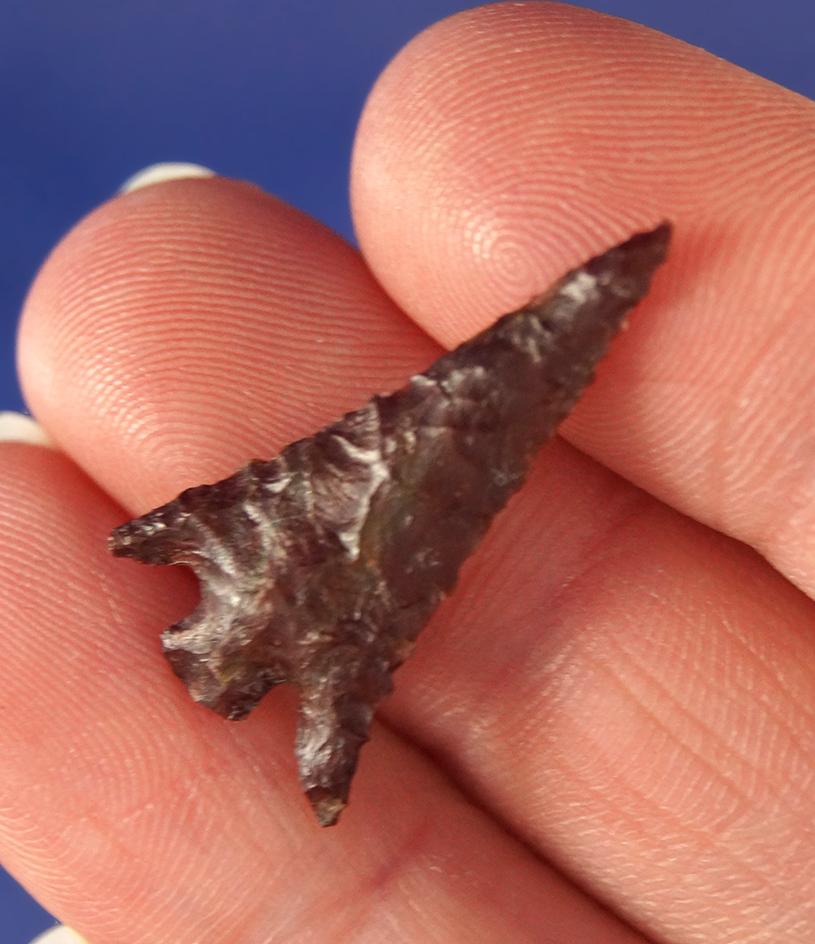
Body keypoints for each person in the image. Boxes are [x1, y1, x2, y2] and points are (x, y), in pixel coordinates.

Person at [3, 4, 814, 942]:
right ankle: (604, 292)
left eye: (206, 666)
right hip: (458, 448)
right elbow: (318, 742)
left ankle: (606, 288)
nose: (215, 678)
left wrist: (143, 541)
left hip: (460, 427)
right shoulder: (314, 657)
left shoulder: (247, 575)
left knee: (501, 380)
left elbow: (161, 539)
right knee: (500, 392)